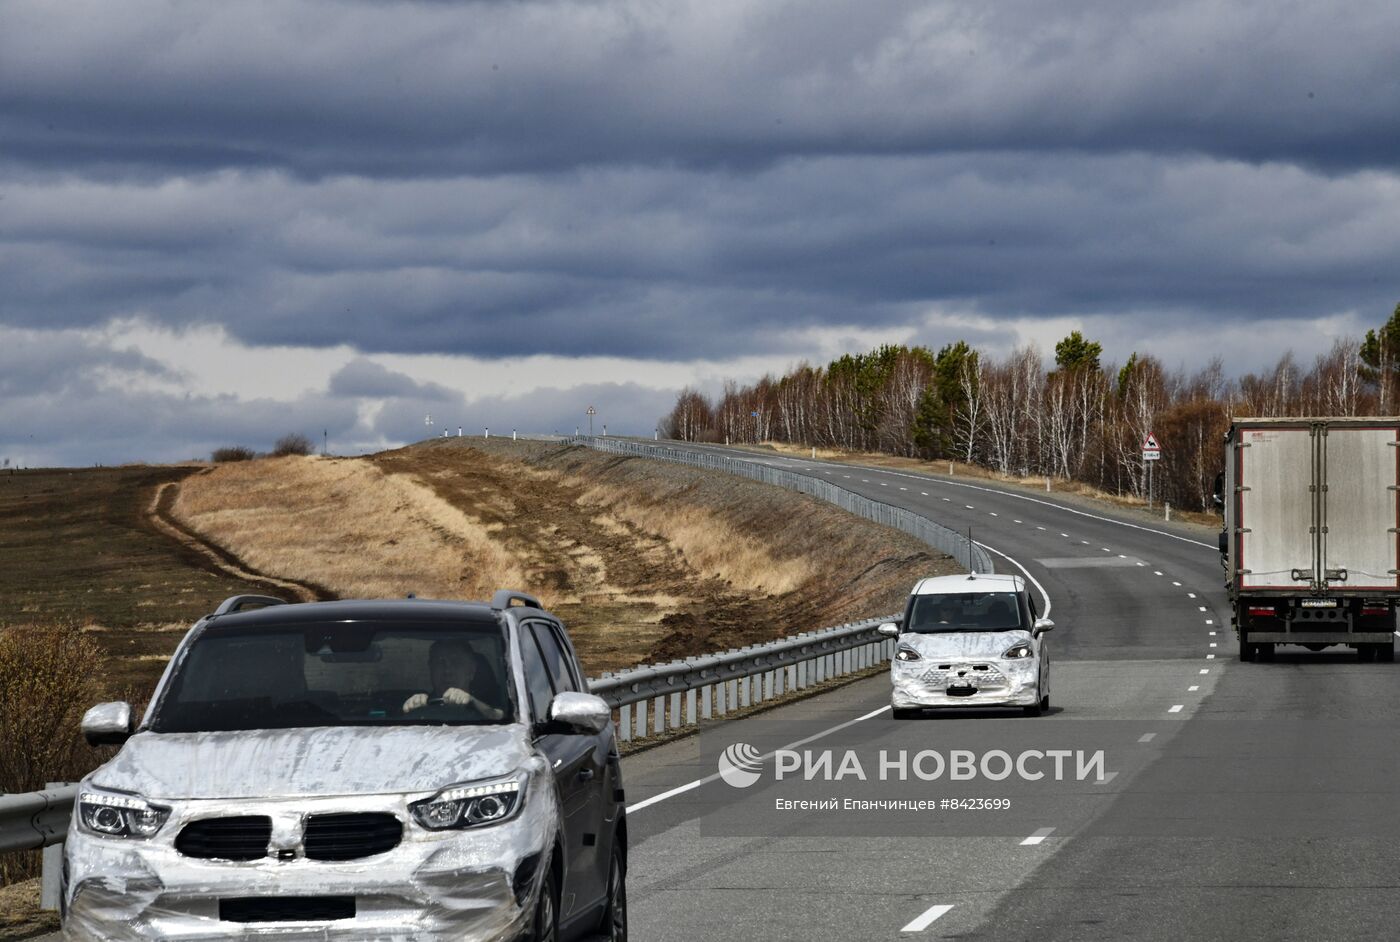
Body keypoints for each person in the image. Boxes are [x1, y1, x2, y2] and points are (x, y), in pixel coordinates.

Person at [402, 640, 505, 719]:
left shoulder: (493, 703)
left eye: (456, 662)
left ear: (471, 671)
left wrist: (473, 703)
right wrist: (411, 711)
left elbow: (499, 718)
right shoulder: (421, 705)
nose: (447, 670)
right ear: (431, 669)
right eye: (440, 662)